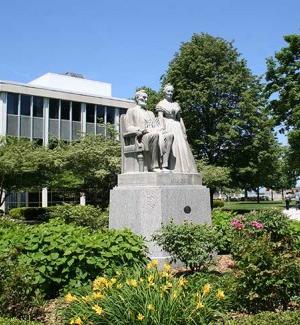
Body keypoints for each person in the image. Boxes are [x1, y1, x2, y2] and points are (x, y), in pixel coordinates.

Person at [124, 89, 174, 172]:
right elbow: (128, 127)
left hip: (153, 132)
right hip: (140, 136)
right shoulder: (131, 111)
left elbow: (155, 125)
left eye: (146, 98)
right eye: (143, 97)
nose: (145, 99)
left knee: (169, 135)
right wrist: (140, 130)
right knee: (154, 135)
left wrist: (159, 129)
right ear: (137, 98)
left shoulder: (150, 113)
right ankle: (154, 166)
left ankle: (164, 165)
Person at [156, 84, 197, 173]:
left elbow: (180, 118)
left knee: (182, 147)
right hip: (168, 125)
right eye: (168, 91)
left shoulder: (176, 104)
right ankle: (170, 166)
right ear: (164, 92)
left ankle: (184, 169)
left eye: (171, 91)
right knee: (172, 146)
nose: (170, 93)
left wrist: (184, 130)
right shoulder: (161, 104)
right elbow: (160, 118)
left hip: (177, 126)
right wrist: (163, 129)